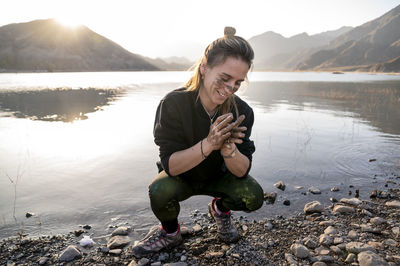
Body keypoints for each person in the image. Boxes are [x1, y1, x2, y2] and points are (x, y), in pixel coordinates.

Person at [131, 26, 264, 257]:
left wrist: (229, 149)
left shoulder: (242, 111)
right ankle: (170, 232)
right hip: (181, 177)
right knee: (158, 190)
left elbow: (241, 171)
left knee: (253, 196)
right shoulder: (173, 104)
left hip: (218, 178)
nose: (230, 88)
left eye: (238, 82)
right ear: (204, 68)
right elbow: (170, 165)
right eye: (224, 78)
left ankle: (220, 210)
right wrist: (210, 143)